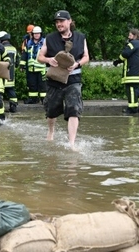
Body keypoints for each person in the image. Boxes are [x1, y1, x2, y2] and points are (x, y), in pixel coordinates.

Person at [37, 10, 89, 149]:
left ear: (69, 21)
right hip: (55, 80)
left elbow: (86, 56)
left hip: (73, 80)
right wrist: (48, 59)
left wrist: (77, 64)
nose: (58, 24)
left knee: (73, 108)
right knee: (51, 110)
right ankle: (51, 131)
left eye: (61, 21)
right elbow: (39, 57)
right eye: (57, 22)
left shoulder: (80, 37)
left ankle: (71, 142)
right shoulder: (50, 38)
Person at [113, 28, 139, 114]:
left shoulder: (133, 44)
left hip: (132, 71)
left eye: (130, 35)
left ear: (135, 36)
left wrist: (118, 61)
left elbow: (125, 54)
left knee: (131, 89)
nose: (128, 37)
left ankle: (132, 108)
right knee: (136, 88)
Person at [19, 26, 47, 104]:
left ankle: (44, 100)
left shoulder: (45, 43)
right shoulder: (28, 43)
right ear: (32, 34)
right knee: (32, 84)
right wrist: (22, 65)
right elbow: (24, 54)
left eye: (38, 33)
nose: (37, 35)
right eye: (35, 34)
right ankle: (33, 99)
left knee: (42, 85)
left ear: (41, 34)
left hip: (41, 69)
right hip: (31, 68)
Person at [0, 31, 18, 113]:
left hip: (1, 73)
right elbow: (17, 61)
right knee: (11, 91)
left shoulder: (0, 48)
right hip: (11, 74)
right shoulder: (13, 48)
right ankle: (13, 106)